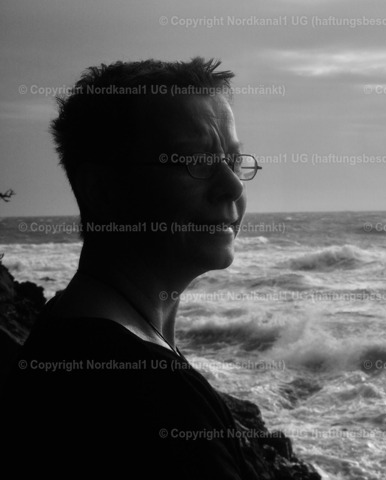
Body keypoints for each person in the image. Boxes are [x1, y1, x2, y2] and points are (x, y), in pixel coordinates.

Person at [0, 58, 262, 478]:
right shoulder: (145, 396)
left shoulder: (72, 325)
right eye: (194, 160)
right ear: (103, 191)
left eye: (232, 160)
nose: (232, 185)